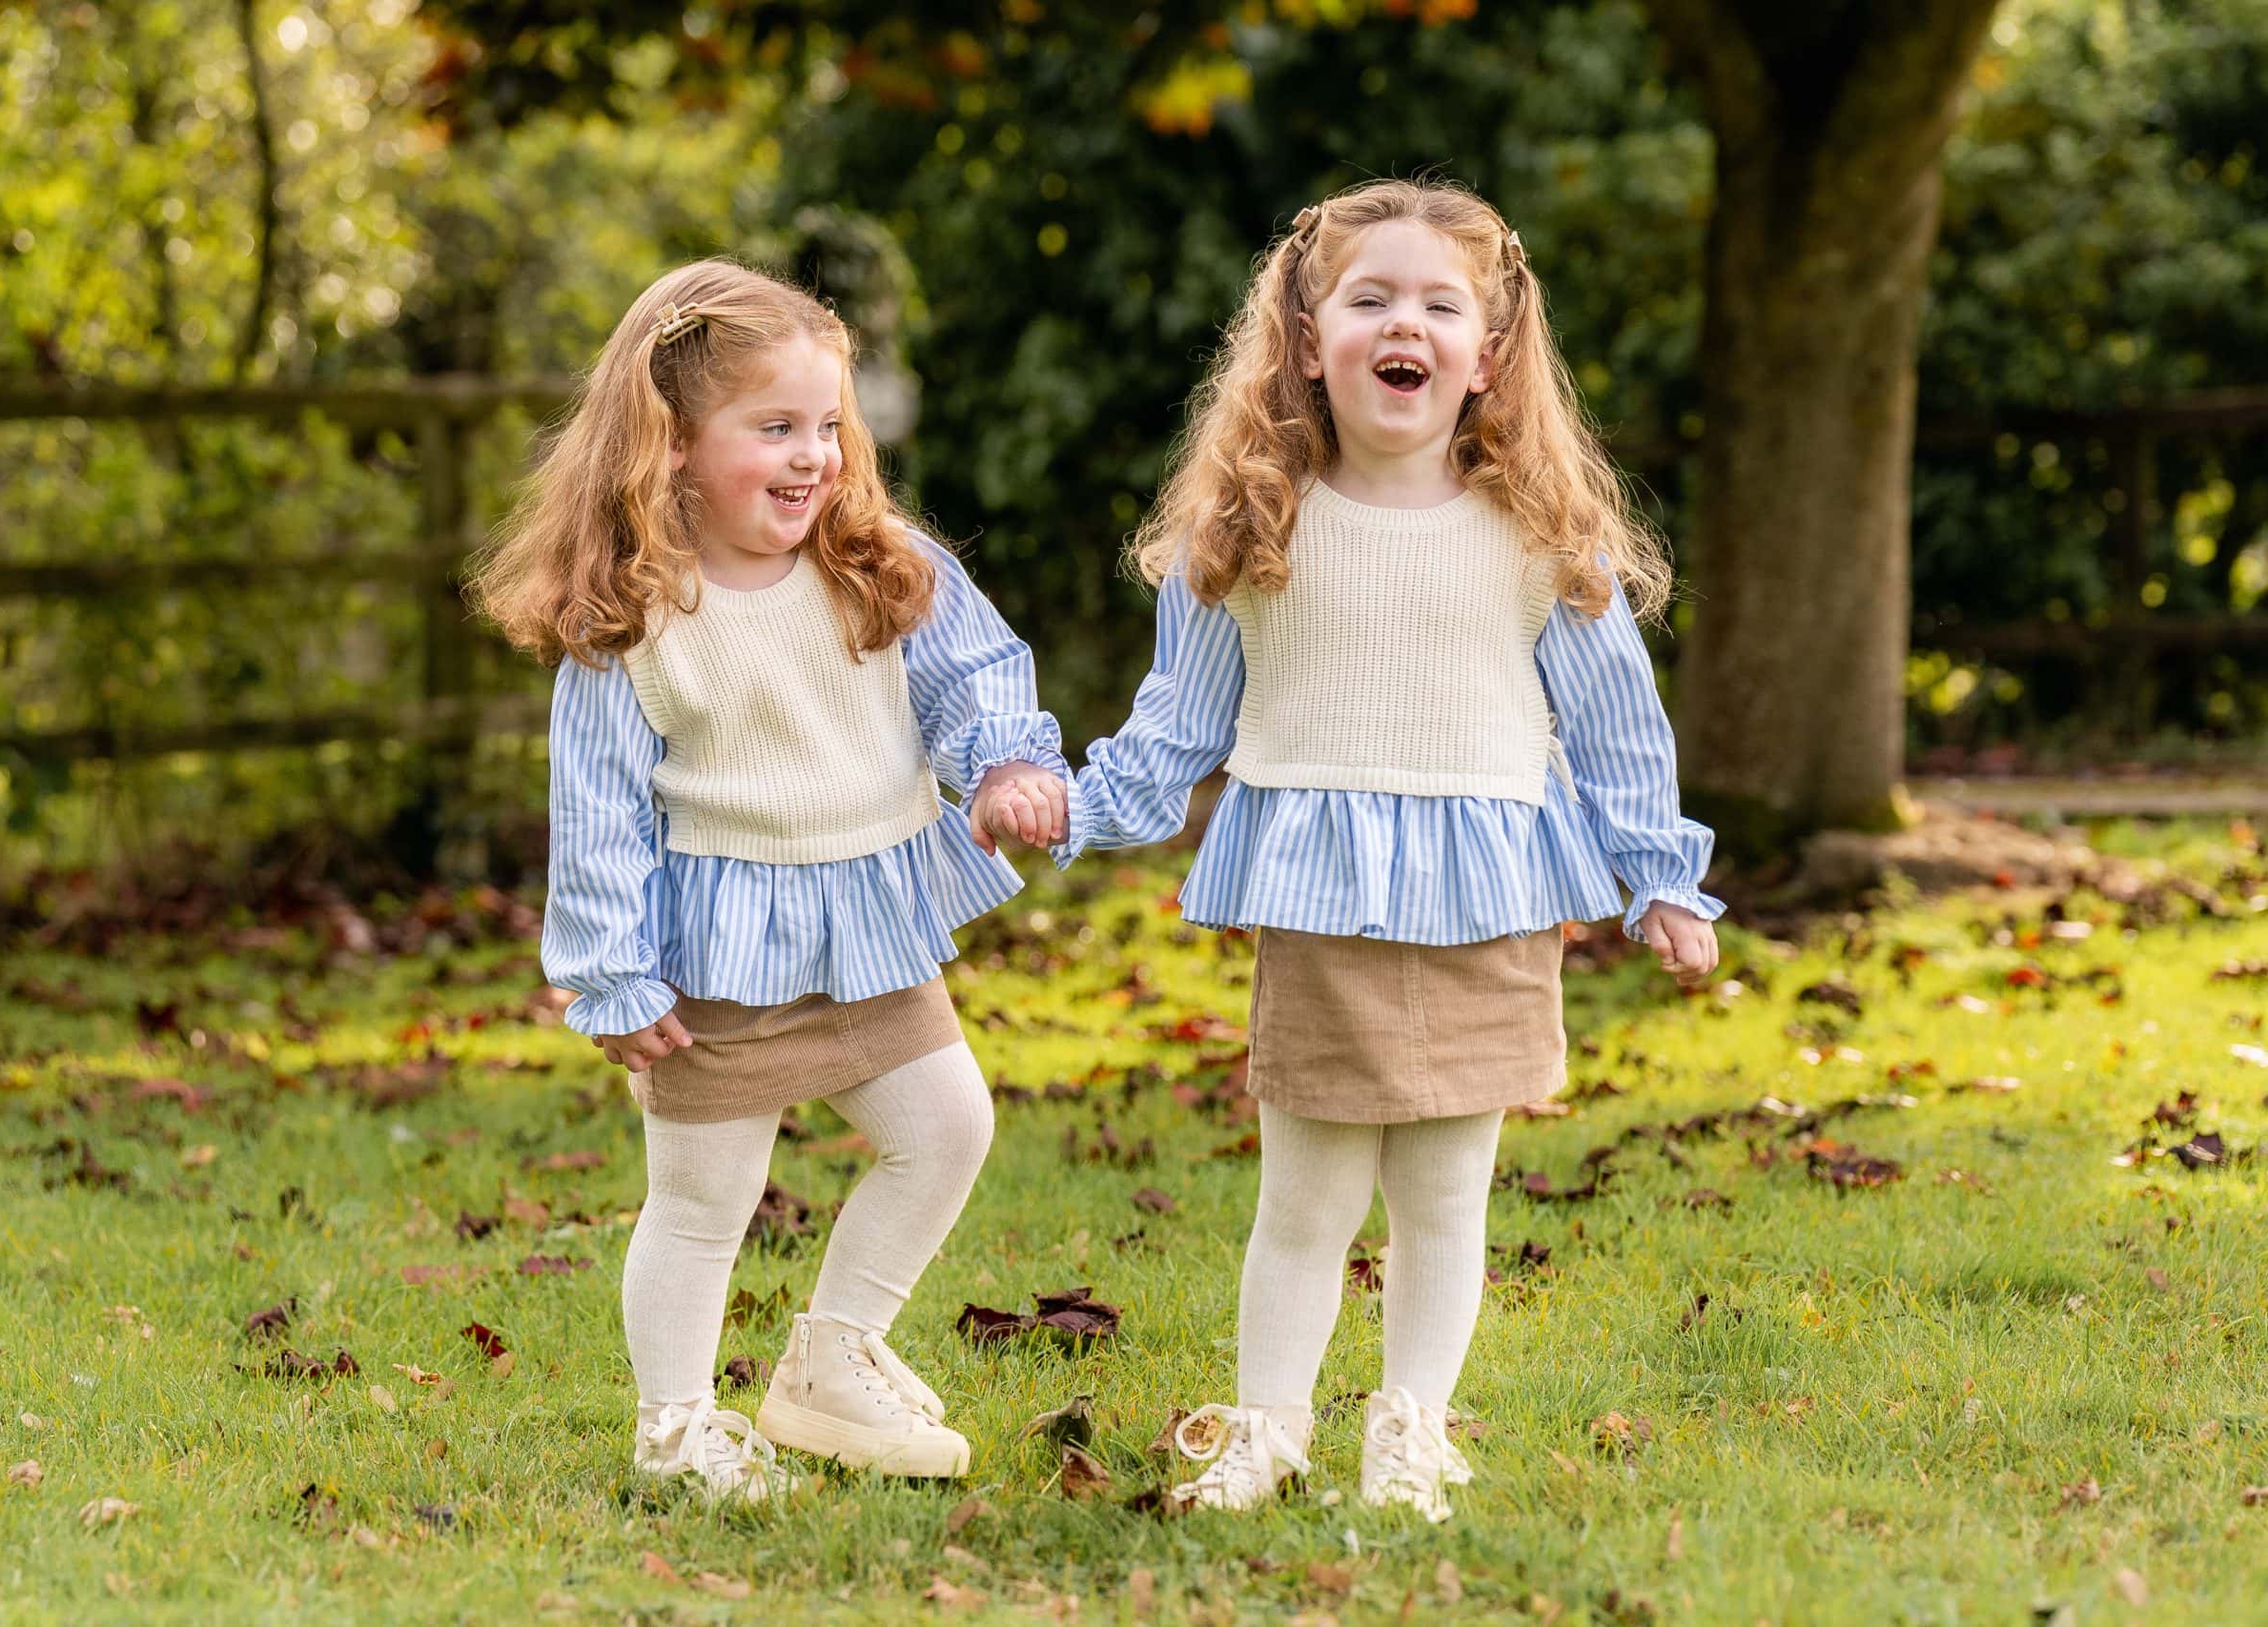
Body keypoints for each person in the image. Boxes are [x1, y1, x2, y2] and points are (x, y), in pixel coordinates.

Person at [1036, 179, 1723, 1521]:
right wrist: (1070, 807)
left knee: (1445, 1191)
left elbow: (1619, 731)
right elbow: (1175, 732)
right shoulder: (1247, 533)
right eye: (1369, 299)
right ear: (1304, 340)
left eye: (1438, 305)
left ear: (1489, 353)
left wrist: (1663, 880)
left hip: (1493, 895)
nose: (1403, 323)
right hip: (1321, 894)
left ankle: (1408, 1427)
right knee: (1306, 1196)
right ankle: (1269, 1431)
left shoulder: (1543, 541)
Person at [470, 258, 1069, 1499]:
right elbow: (598, 818)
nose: (812, 458)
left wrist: (1004, 764)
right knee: (703, 1203)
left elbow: (976, 680)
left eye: (826, 428)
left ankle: (830, 1359)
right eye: (774, 428)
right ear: (676, 445)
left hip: (868, 924)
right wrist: (611, 974)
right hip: (719, 950)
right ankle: (678, 1427)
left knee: (947, 1127)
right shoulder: (638, 617)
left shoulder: (879, 565)